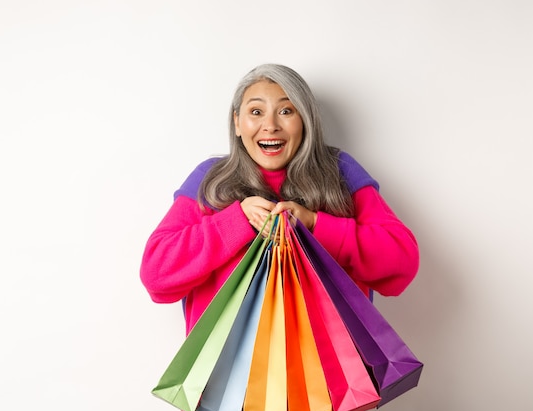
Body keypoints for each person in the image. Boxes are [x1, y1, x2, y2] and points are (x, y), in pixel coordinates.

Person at [140, 63, 419, 336]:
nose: (270, 125)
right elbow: (156, 276)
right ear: (237, 122)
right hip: (231, 375)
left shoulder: (340, 171)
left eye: (286, 111)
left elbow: (402, 263)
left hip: (335, 375)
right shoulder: (210, 179)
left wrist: (315, 225)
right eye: (256, 111)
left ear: (306, 120)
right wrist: (234, 223)